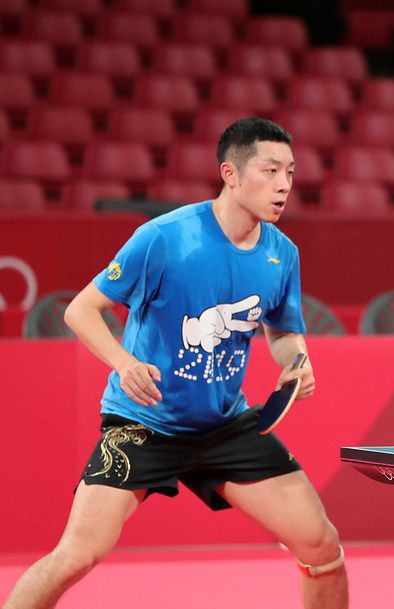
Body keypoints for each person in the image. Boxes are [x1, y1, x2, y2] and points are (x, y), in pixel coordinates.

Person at [2, 118, 348, 609]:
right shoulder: (164, 238)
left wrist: (297, 362)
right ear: (230, 173)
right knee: (77, 555)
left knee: (322, 546)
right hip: (145, 421)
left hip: (226, 425)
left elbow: (283, 330)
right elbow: (81, 310)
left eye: (290, 172)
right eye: (270, 171)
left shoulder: (282, 254)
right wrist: (124, 363)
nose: (284, 184)